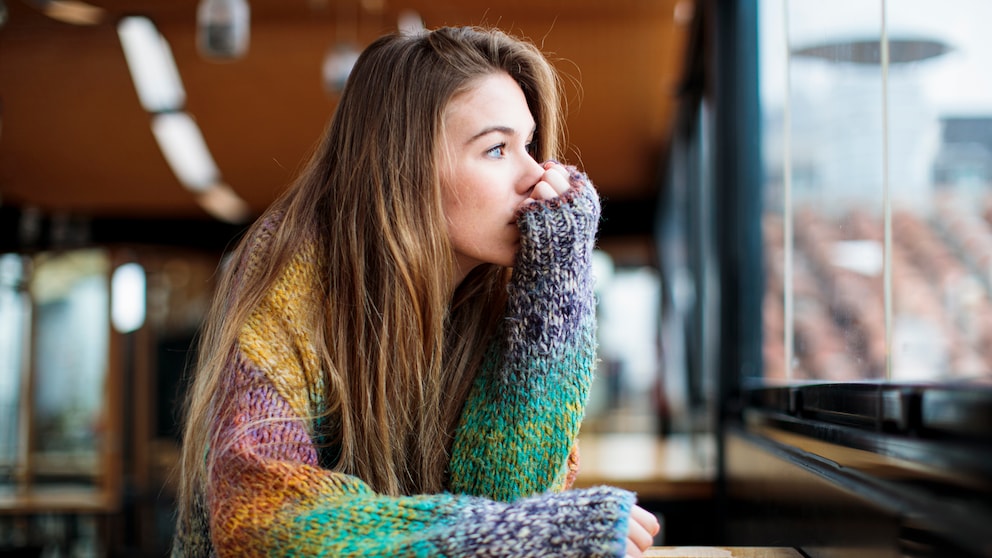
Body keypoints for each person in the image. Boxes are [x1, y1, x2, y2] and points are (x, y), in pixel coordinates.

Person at [172, 25, 660, 557]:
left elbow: (504, 495)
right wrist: (536, 532)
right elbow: (262, 521)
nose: (537, 174)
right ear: (405, 168)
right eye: (497, 149)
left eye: (529, 145)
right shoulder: (290, 274)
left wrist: (557, 276)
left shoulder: (492, 297)